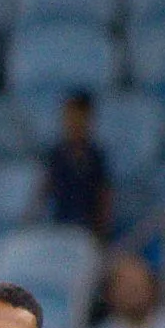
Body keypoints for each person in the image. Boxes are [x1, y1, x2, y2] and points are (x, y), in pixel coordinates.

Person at [43, 90, 109, 236]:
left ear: (88, 121)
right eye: (69, 119)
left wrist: (102, 233)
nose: (73, 124)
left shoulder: (96, 157)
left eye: (78, 119)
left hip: (88, 229)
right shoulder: (56, 155)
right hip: (60, 227)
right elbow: (44, 190)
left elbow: (104, 197)